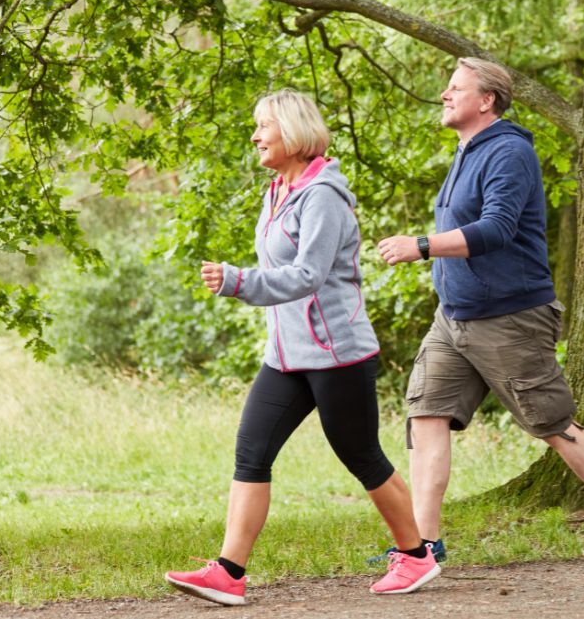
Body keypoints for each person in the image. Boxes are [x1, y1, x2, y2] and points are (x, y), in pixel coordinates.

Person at [164, 90, 439, 606]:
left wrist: (238, 281)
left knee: (361, 456)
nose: (255, 136)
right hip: (286, 356)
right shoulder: (279, 191)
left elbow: (308, 275)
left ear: (291, 131)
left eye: (263, 126)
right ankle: (228, 572)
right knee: (252, 451)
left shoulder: (323, 197)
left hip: (337, 353)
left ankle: (417, 556)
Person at [376, 58, 584, 561]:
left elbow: (498, 228)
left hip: (510, 317)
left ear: (486, 100)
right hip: (454, 316)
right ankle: (423, 546)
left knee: (550, 421)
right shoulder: (467, 150)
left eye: (455, 87)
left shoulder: (508, 151)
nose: (444, 93)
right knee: (426, 416)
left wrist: (422, 245)